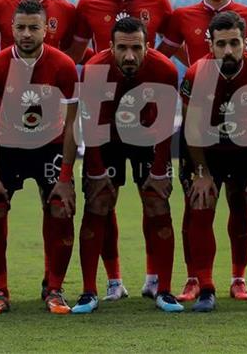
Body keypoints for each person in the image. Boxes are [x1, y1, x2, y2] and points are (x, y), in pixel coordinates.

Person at [156, 0, 247, 302]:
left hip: (244, 129)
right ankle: (194, 278)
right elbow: (162, 52)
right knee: (195, 204)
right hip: (200, 124)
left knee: (241, 203)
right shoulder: (183, 16)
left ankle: (239, 278)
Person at [68, 0, 174, 300]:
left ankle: (154, 279)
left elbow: (170, 53)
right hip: (105, 122)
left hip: (145, 125)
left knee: (154, 199)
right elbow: (74, 56)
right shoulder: (88, 5)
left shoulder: (159, 4)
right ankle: (112, 281)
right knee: (101, 200)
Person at [179, 11, 247, 312]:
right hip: (207, 149)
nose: (228, 50)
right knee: (200, 205)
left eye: (234, 43)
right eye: (221, 44)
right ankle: (206, 288)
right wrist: (201, 173)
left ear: (245, 43)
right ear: (211, 45)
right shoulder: (196, 74)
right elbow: (191, 129)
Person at [71, 17, 182, 313]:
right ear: (111, 47)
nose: (129, 55)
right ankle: (89, 292)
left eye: (136, 48)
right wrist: (94, 170)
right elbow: (91, 124)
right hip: (106, 138)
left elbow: (165, 124)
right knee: (97, 205)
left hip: (146, 136)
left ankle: (165, 290)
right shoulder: (95, 69)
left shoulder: (164, 69)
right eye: (122, 48)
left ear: (148, 46)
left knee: (158, 204)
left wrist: (160, 170)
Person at [0, 0, 79, 315]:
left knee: (61, 210)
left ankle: (55, 289)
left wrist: (65, 177)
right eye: (20, 27)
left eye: (33, 27)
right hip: (8, 148)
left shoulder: (63, 65)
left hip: (50, 147)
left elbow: (74, 125)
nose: (26, 34)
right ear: (11, 29)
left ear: (47, 29)